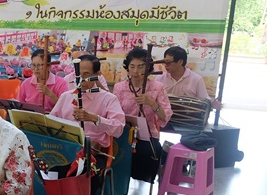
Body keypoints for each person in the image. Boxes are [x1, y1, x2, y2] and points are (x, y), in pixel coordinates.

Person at [113, 47, 173, 181]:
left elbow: (165, 116)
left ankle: (144, 179)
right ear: (127, 68)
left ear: (148, 68)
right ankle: (118, 185)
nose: (136, 71)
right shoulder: (119, 87)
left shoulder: (157, 87)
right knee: (115, 152)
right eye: (132, 66)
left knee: (148, 152)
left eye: (141, 66)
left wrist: (151, 103)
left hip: (147, 135)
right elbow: (114, 113)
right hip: (124, 133)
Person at [50, 55, 125, 152]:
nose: (80, 79)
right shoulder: (66, 96)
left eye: (86, 74)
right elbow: (50, 122)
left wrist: (93, 118)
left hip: (93, 150)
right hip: (65, 147)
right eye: (78, 74)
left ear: (97, 75)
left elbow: (118, 129)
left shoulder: (109, 99)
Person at [156, 45, 221, 110]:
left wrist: (212, 104)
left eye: (168, 62)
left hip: (187, 115)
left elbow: (204, 100)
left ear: (180, 62)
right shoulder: (159, 78)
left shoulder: (196, 79)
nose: (166, 65)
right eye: (164, 62)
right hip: (163, 115)